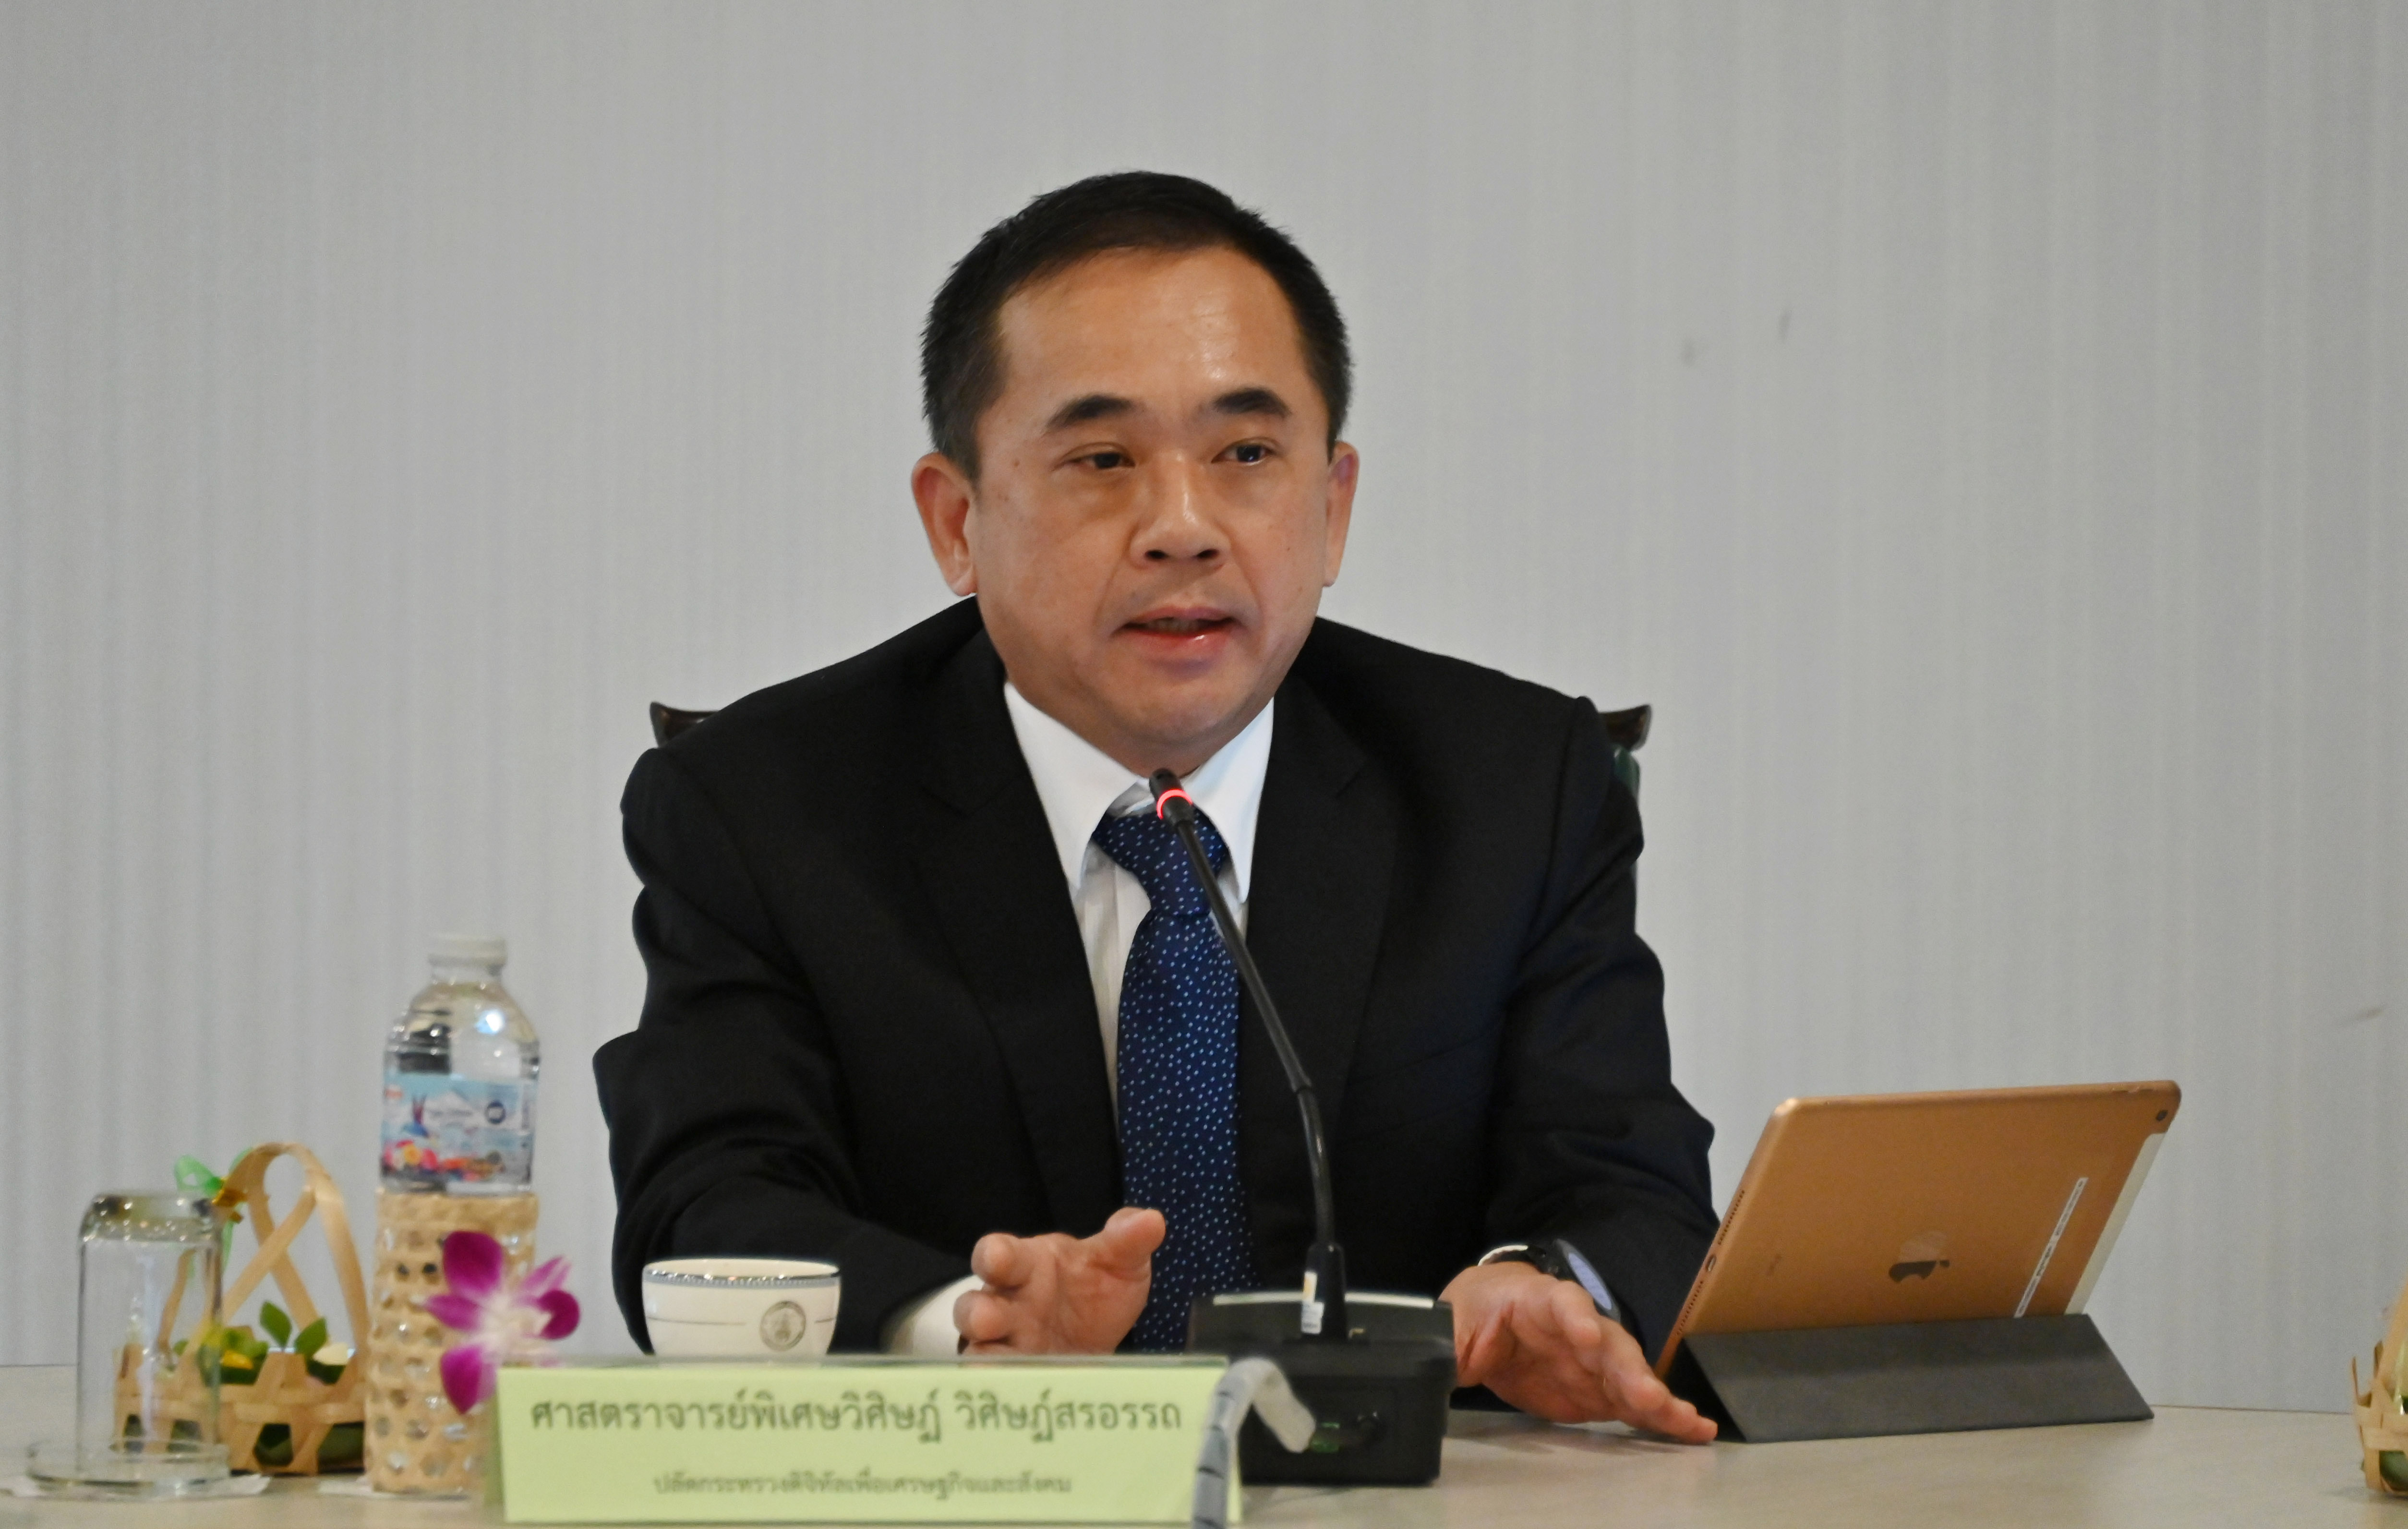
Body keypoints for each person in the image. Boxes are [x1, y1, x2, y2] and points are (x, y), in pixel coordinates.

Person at [595, 171, 1718, 1439]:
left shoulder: (1512, 785)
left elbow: (1633, 1184)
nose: (1183, 527)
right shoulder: (764, 809)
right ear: (957, 521)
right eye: (1103, 459)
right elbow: (705, 1212)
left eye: (1246, 454)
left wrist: (1547, 1285)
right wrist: (962, 1322)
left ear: (1333, 505)